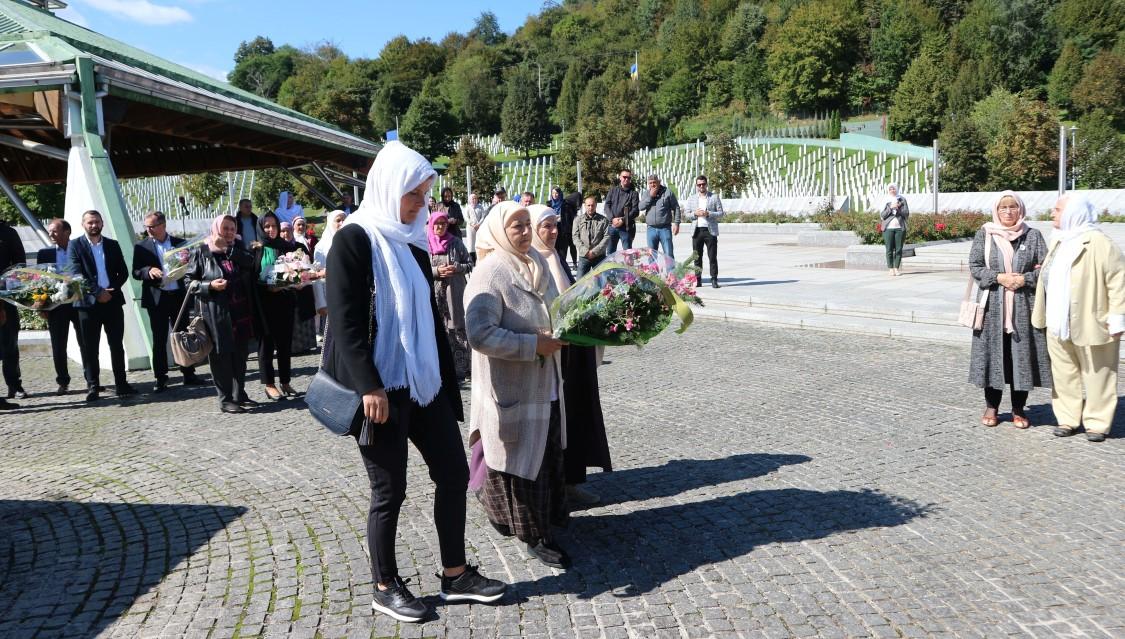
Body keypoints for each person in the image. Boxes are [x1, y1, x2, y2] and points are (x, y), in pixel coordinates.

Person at [325, 141, 506, 623]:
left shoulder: (412, 240)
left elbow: (426, 315)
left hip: (423, 386)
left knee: (452, 474)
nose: (421, 205)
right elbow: (344, 325)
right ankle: (384, 585)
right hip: (381, 390)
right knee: (390, 492)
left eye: (425, 195)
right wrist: (369, 386)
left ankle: (455, 574)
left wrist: (448, 387)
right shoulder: (354, 239)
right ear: (389, 188)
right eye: (414, 195)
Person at [465, 201, 570, 569]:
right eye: (517, 227)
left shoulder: (536, 264)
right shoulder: (490, 273)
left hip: (546, 386)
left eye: (528, 224)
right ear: (498, 232)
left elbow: (555, 311)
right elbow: (479, 335)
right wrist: (532, 345)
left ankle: (545, 522)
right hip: (513, 390)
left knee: (544, 456)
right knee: (521, 463)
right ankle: (533, 535)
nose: (526, 232)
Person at [529, 204, 611, 506]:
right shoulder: (532, 261)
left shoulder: (556, 258)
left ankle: (572, 481)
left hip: (573, 353)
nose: (552, 232)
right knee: (556, 422)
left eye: (555, 226)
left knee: (575, 417)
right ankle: (555, 485)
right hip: (552, 356)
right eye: (545, 226)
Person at [1032, 194, 1125, 443]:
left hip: (1092, 321)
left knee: (1099, 374)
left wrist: (1118, 317)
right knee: (1064, 373)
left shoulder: (1099, 243)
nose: (1052, 213)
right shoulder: (1060, 241)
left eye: (1058, 209)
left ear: (1074, 213)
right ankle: (1067, 419)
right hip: (1058, 321)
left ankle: (1097, 423)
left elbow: (1118, 281)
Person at [968, 192, 1051, 429]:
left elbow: (1046, 268)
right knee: (994, 355)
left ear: (1020, 209)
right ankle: (992, 406)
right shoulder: (985, 234)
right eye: (1003, 208)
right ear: (996, 210)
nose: (1007, 212)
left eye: (1012, 207)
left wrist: (1025, 279)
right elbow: (975, 266)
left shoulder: (1032, 236)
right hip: (992, 306)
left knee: (1020, 358)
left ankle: (1018, 409)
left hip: (1023, 307)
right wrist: (999, 277)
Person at [185, 214, 260, 414]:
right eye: (225, 228)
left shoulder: (237, 248)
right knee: (221, 358)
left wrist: (228, 248)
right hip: (216, 313)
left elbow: (250, 263)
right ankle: (225, 399)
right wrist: (209, 286)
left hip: (240, 312)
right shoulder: (201, 251)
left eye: (232, 228)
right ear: (216, 228)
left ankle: (239, 394)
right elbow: (189, 283)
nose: (228, 232)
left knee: (240, 356)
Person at [132, 211, 205, 393]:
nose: (148, 229)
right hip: (157, 298)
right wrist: (148, 271)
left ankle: (188, 373)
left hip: (178, 296)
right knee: (159, 338)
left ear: (163, 225)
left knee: (182, 335)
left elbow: (193, 267)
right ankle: (161, 377)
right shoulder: (141, 247)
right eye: (146, 226)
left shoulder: (180, 244)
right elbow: (135, 271)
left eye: (152, 226)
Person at [68, 210, 136, 402]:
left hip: (112, 302)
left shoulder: (113, 245)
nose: (93, 225)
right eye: (90, 222)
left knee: (116, 345)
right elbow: (75, 274)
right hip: (87, 305)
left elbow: (123, 272)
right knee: (90, 348)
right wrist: (98, 292)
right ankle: (93, 386)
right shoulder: (75, 246)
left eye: (96, 221)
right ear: (83, 225)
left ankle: (121, 384)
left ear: (102, 223)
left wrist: (111, 290)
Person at [255, 214, 302, 400]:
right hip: (264, 303)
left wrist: (298, 280)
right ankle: (269, 384)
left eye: (273, 225)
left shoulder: (287, 247)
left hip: (285, 302)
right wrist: (268, 287)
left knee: (285, 344)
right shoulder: (256, 249)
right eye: (266, 226)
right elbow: (252, 278)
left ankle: (285, 381)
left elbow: (296, 271)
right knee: (266, 345)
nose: (271, 229)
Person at [36, 219, 84, 396]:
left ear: (67, 232)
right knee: (58, 345)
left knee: (85, 343)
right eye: (50, 231)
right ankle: (63, 381)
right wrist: (41, 306)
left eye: (55, 231)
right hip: (55, 306)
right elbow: (39, 282)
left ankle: (91, 379)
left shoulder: (79, 248)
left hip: (78, 303)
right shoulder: (45, 253)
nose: (51, 235)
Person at [428, 211, 473, 379]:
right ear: (431, 225)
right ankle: (438, 368)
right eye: (437, 224)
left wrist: (457, 268)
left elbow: (470, 264)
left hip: (454, 292)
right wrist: (436, 271)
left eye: (443, 223)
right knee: (436, 328)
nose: (440, 226)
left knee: (457, 327)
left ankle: (461, 368)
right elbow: (419, 268)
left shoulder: (456, 243)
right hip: (433, 292)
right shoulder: (425, 244)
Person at [0, 215, 26, 404]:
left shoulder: (8, 233)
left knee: (10, 344)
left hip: (5, 297)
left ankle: (14, 385)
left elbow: (20, 265)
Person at [687, 175, 724, 288]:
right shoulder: (692, 198)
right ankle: (698, 280)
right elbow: (687, 214)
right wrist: (695, 214)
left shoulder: (714, 197)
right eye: (699, 185)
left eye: (703, 184)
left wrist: (709, 214)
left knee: (712, 257)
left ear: (706, 184)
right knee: (697, 257)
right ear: (696, 186)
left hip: (710, 231)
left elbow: (721, 213)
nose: (701, 186)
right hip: (696, 231)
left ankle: (714, 279)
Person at [313, 210, 347, 318]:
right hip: (331, 296)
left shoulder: (350, 242)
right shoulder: (322, 246)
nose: (342, 223)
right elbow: (317, 276)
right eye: (338, 220)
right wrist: (321, 304)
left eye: (344, 220)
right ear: (330, 223)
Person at [639, 174, 681, 258]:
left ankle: (671, 271)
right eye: (650, 183)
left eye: (654, 182)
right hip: (651, 229)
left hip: (664, 228)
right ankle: (653, 271)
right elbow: (641, 207)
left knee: (668, 254)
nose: (652, 185)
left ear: (659, 182)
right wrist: (651, 196)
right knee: (651, 255)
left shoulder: (668, 192)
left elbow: (676, 208)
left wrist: (676, 223)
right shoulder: (646, 193)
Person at [572, 196, 610, 278]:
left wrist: (594, 252)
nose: (590, 207)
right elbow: (575, 237)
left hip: (599, 256)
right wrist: (585, 251)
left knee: (603, 283)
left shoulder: (604, 220)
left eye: (592, 205)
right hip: (584, 256)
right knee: (579, 284)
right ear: (584, 206)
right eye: (588, 205)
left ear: (596, 205)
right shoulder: (578, 220)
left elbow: (607, 237)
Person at [604, 169, 639, 253]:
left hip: (626, 228)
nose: (626, 179)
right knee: (610, 253)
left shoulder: (634, 193)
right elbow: (607, 206)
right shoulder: (613, 190)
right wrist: (612, 219)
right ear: (620, 177)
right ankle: (612, 267)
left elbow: (635, 211)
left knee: (628, 254)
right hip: (612, 226)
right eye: (624, 177)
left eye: (629, 178)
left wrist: (623, 220)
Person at [880, 184, 909, 276]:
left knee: (899, 249)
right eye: (890, 189)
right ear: (888, 190)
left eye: (894, 188)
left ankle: (896, 268)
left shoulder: (902, 200)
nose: (892, 190)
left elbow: (906, 213)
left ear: (896, 189)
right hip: (888, 228)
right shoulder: (885, 200)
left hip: (900, 228)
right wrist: (891, 208)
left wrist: (899, 208)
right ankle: (890, 268)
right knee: (889, 249)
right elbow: (883, 215)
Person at [547, 187, 576, 267]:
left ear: (560, 194)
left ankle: (564, 266)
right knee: (554, 250)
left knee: (563, 251)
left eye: (556, 193)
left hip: (564, 230)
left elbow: (571, 216)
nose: (555, 195)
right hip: (552, 230)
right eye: (553, 193)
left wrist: (561, 217)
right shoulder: (549, 204)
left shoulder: (565, 204)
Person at [465, 192, 487, 259]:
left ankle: (479, 257)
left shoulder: (480, 207)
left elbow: (483, 216)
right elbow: (466, 217)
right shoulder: (468, 207)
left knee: (479, 242)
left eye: (475, 198)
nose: (474, 200)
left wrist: (479, 224)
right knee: (471, 244)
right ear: (470, 200)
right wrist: (471, 224)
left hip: (479, 227)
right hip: (470, 228)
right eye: (472, 198)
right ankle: (472, 259)